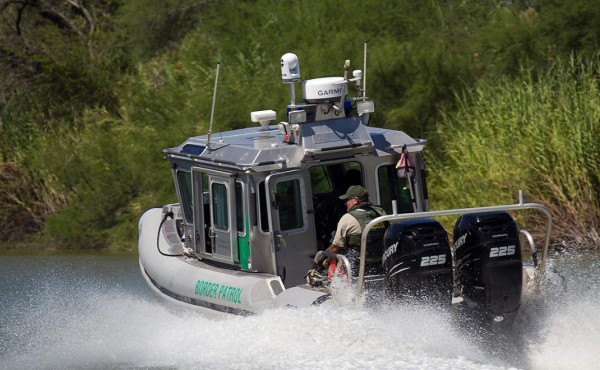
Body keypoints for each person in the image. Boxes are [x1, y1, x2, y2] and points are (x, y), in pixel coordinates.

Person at [323, 185, 387, 275]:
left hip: (357, 269)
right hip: (381, 265)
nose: (346, 203)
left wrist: (327, 261)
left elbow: (335, 248)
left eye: (347, 200)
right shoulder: (381, 212)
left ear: (355, 200)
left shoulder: (347, 218)